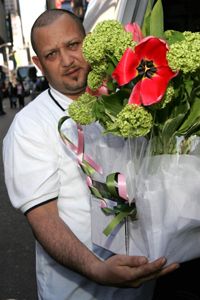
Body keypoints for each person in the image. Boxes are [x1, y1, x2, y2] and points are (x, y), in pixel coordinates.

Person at [2, 9, 179, 300]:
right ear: (39, 64)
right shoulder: (29, 126)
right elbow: (43, 218)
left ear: (89, 42)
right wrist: (98, 270)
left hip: (143, 282)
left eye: (73, 45)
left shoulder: (128, 98)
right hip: (77, 291)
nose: (68, 61)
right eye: (52, 54)